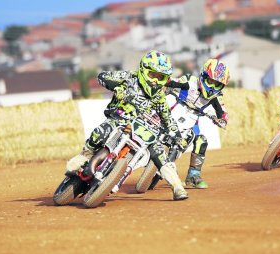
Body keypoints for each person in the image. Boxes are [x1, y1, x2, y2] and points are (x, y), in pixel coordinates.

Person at [66, 50, 189, 200]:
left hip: (144, 129)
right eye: (153, 75)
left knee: (159, 152)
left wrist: (177, 136)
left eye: (160, 77)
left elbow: (168, 119)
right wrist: (116, 87)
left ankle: (177, 186)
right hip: (119, 119)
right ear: (143, 70)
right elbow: (103, 76)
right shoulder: (130, 77)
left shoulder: (159, 97)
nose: (156, 81)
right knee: (101, 131)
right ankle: (84, 155)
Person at [165, 58, 230, 188]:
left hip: (192, 120)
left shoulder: (216, 97)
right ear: (203, 75)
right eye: (210, 81)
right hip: (173, 109)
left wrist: (222, 120)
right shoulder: (190, 81)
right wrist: (163, 82)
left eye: (217, 84)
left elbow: (222, 112)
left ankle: (193, 175)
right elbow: (172, 82)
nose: (212, 86)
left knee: (201, 140)